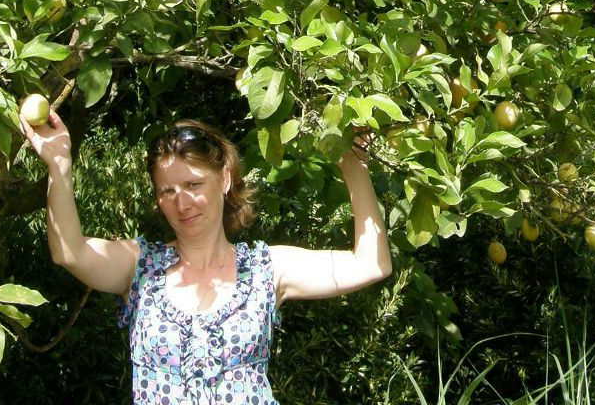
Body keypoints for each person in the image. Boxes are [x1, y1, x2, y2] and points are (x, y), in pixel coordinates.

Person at [22, 109, 392, 404]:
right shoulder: (140, 268)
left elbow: (370, 264)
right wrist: (59, 164)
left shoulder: (263, 269)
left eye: (194, 184)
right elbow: (69, 251)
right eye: (167, 191)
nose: (182, 202)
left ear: (225, 180)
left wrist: (353, 163)